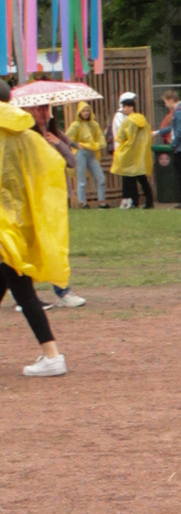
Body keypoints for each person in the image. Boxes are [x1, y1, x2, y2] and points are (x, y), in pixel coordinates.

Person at [0, 92, 71, 375]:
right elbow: (52, 165)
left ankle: (52, 355)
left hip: (3, 222)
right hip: (22, 220)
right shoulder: (25, 134)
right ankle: (51, 354)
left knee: (22, 288)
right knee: (12, 280)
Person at [153, 90, 181, 208]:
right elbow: (174, 127)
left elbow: (180, 131)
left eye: (166, 102)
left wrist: (173, 144)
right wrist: (158, 132)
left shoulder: (179, 112)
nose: (166, 105)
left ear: (171, 100)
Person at [63, 96, 105, 209]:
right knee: (81, 180)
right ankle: (83, 203)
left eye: (87, 110)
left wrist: (99, 145)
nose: (86, 113)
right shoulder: (76, 125)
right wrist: (76, 145)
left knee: (101, 178)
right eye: (83, 111)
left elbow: (100, 137)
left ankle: (102, 201)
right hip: (81, 153)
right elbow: (67, 137)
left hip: (92, 152)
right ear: (79, 112)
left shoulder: (94, 124)